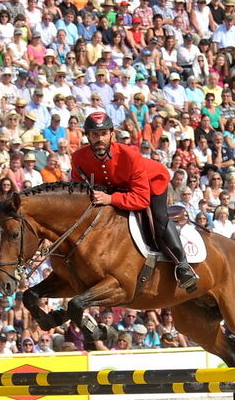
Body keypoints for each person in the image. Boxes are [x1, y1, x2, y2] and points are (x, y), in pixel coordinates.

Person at [71, 110, 198, 291]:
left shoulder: (129, 155)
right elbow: (77, 193)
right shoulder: (78, 158)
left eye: (103, 134)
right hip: (116, 186)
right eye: (95, 134)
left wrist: (110, 198)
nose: (100, 139)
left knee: (159, 219)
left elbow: (141, 199)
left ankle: (183, 265)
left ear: (111, 134)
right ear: (88, 136)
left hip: (151, 182)